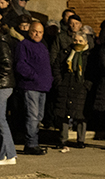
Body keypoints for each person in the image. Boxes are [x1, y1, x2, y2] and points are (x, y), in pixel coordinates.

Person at [14, 21, 53, 156]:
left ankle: (34, 141)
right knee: (33, 116)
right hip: (31, 86)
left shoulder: (42, 46)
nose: (37, 34)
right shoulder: (23, 45)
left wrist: (49, 80)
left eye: (40, 32)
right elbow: (20, 65)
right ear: (29, 31)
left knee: (39, 116)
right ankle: (31, 144)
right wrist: (33, 76)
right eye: (35, 31)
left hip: (43, 87)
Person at [52, 30, 92, 151]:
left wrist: (86, 85)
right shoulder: (65, 53)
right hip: (66, 86)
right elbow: (57, 67)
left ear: (86, 42)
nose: (77, 43)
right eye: (75, 40)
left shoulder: (89, 55)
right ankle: (63, 139)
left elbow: (92, 71)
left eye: (80, 41)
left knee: (80, 115)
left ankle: (81, 140)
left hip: (81, 87)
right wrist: (59, 82)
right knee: (64, 113)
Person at [0, 26, 17, 164]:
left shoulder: (2, 43)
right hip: (4, 84)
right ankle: (5, 154)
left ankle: (10, 154)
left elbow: (6, 64)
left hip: (3, 85)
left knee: (1, 120)